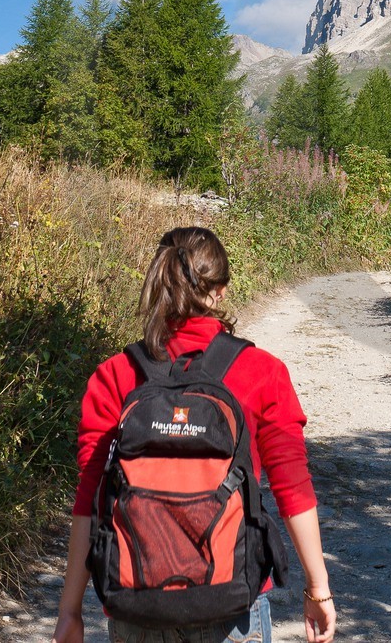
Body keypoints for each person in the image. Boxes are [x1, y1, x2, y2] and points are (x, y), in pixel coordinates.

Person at [53, 226, 336, 643]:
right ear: (220, 291)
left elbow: (90, 498)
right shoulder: (262, 372)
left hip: (137, 607)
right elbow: (292, 485)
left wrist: (69, 610)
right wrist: (318, 588)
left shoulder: (114, 375)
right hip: (230, 602)